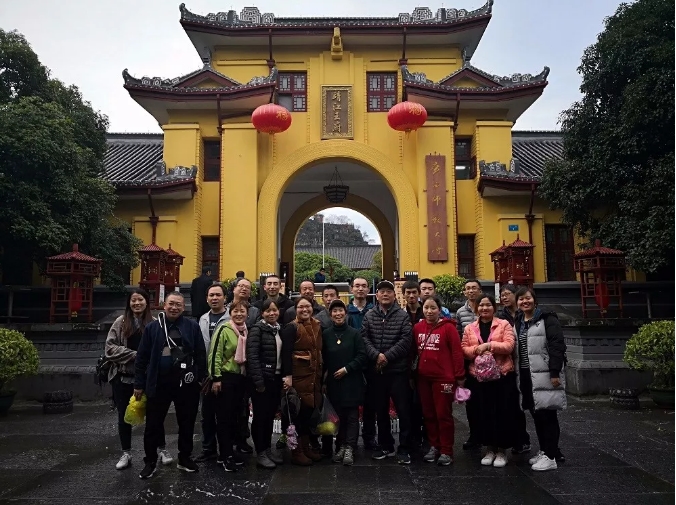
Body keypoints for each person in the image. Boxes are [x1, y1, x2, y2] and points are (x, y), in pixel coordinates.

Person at [133, 292, 206, 479]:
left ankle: (185, 457)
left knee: (187, 422)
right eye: (171, 304)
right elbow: (141, 358)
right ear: (164, 305)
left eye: (178, 305)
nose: (174, 308)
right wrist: (139, 384)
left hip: (186, 382)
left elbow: (200, 354)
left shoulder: (191, 326)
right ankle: (150, 461)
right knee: (153, 424)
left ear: (183, 307)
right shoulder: (153, 328)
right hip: (159, 382)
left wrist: (200, 378)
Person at [105, 288, 173, 470]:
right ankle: (126, 452)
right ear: (129, 303)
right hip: (124, 377)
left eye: (140, 299)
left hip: (149, 378)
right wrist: (136, 355)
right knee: (123, 416)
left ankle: (162, 449)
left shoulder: (156, 323)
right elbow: (110, 348)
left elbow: (165, 348)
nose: (137, 303)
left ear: (146, 302)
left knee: (155, 415)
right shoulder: (120, 322)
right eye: (133, 300)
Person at [514, 287, 567, 471]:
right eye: (521, 299)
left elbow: (557, 345)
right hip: (526, 374)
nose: (524, 302)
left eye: (527, 298)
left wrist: (554, 371)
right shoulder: (519, 321)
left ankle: (551, 456)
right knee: (536, 413)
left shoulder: (547, 319)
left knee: (548, 413)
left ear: (534, 300)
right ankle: (545, 450)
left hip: (544, 373)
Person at [461, 293, 516, 468]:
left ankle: (502, 450)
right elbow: (464, 349)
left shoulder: (504, 324)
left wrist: (490, 346)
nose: (484, 308)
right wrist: (477, 349)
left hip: (501, 375)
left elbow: (509, 346)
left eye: (488, 305)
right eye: (481, 305)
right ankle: (489, 449)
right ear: (476, 308)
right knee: (483, 413)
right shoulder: (470, 328)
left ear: (494, 307)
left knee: (502, 412)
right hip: (478, 377)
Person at [361, 280, 413, 465]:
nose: (385, 294)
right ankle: (386, 445)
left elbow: (406, 341)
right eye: (381, 291)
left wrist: (387, 356)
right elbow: (364, 338)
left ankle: (404, 448)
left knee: (403, 410)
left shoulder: (402, 316)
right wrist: (377, 356)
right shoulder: (369, 315)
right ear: (376, 295)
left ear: (394, 295)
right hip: (377, 371)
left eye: (388, 291)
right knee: (381, 410)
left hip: (397, 371)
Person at [413, 296, 465, 466]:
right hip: (423, 378)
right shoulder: (418, 328)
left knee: (443, 414)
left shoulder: (449, 328)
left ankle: (446, 450)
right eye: (426, 308)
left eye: (433, 308)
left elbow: (457, 353)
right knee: (428, 414)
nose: (429, 311)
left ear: (439, 310)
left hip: (443, 378)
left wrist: (459, 376)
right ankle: (434, 446)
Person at [322, 299, 367, 466]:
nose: (338, 314)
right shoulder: (326, 334)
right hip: (334, 383)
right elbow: (323, 359)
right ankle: (340, 446)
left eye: (341, 310)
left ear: (346, 313)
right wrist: (323, 381)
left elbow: (362, 356)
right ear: (330, 315)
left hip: (352, 381)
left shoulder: (355, 333)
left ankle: (350, 447)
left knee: (352, 416)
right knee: (338, 416)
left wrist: (347, 369)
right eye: (334, 311)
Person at [281, 296, 323, 466]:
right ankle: (296, 451)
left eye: (307, 307)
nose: (304, 310)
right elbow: (285, 353)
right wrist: (288, 376)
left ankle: (306, 448)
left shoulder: (317, 325)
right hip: (297, 377)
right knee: (296, 414)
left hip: (313, 377)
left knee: (307, 413)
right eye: (300, 307)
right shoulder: (291, 327)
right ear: (295, 309)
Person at [208, 299, 249, 472]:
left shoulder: (245, 330)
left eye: (242, 311)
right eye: (235, 311)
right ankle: (224, 455)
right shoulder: (224, 329)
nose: (239, 314)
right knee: (224, 418)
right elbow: (215, 354)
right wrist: (216, 378)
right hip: (224, 378)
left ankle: (229, 451)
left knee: (235, 417)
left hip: (240, 378)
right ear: (230, 313)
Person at [247, 299, 287, 469]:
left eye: (274, 310)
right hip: (262, 380)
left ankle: (267, 449)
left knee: (270, 416)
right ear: (262, 313)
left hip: (275, 379)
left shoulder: (279, 329)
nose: (272, 313)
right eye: (268, 311)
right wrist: (258, 382)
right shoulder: (257, 330)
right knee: (260, 417)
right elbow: (252, 357)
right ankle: (261, 452)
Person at [224, 277, 260, 455]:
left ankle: (242, 438)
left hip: (247, 364)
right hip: (227, 366)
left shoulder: (255, 311)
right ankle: (226, 441)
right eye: (241, 286)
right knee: (227, 407)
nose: (244, 289)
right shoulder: (225, 308)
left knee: (243, 405)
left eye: (247, 287)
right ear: (234, 289)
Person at [496, 283, 531, 456]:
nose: (504, 297)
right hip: (508, 365)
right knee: (514, 406)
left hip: (526, 364)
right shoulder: (500, 316)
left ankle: (547, 448)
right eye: (502, 295)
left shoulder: (524, 314)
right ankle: (520, 440)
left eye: (507, 294)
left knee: (533, 406)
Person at [195, 283, 228, 462]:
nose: (214, 298)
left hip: (226, 374)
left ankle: (226, 449)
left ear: (225, 298)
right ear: (207, 298)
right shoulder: (203, 319)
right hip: (206, 375)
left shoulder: (231, 318)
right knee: (206, 414)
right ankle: (208, 448)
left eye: (218, 295)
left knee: (225, 415)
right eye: (211, 295)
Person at [346, 277, 377, 451]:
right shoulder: (345, 311)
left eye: (364, 286)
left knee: (370, 403)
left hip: (371, 363)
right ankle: (349, 440)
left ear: (368, 290)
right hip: (352, 364)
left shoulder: (374, 311)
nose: (360, 289)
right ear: (351, 289)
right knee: (350, 404)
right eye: (357, 286)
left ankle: (369, 437)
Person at [456, 278, 481, 450]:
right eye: (468, 288)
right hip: (469, 362)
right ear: (464, 292)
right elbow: (458, 337)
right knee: (471, 401)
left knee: (488, 401)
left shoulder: (486, 308)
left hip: (489, 363)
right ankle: (474, 435)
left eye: (474, 288)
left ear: (480, 290)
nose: (471, 291)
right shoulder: (460, 312)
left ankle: (489, 436)